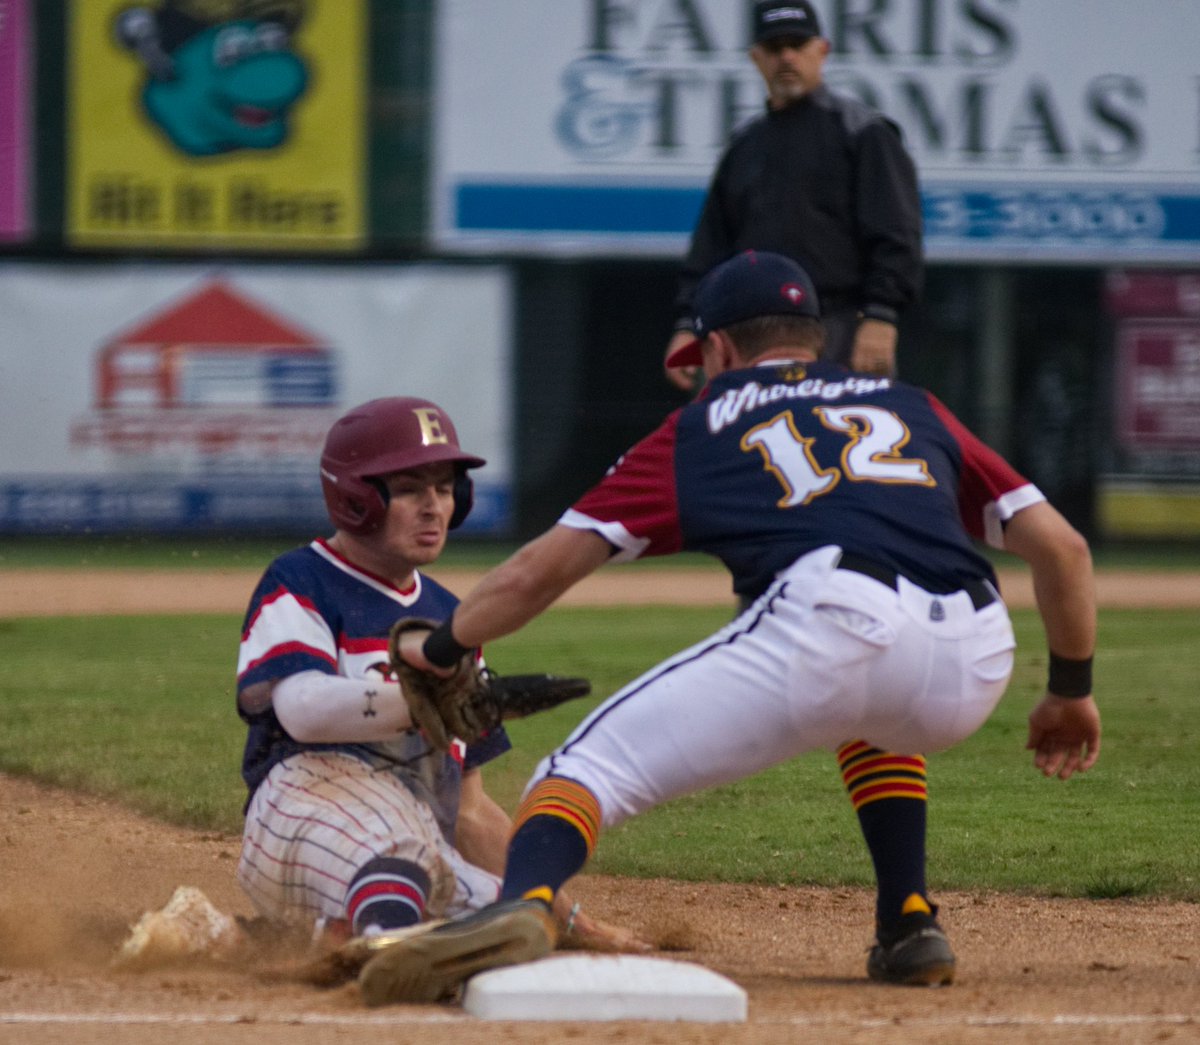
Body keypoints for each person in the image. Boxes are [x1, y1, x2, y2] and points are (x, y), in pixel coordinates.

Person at [356, 251, 1101, 1005]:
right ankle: (908, 921)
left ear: (717, 349)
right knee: (875, 708)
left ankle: (522, 903)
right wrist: (1069, 691)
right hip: (976, 650)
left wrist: (445, 645)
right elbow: (1064, 550)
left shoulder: (701, 425)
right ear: (815, 336)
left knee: (578, 773)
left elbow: (538, 572)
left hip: (837, 616)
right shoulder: (913, 405)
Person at [234, 396, 643, 956]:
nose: (433, 507)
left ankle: (282, 941)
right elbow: (301, 710)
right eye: (409, 489)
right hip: (304, 804)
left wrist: (571, 919)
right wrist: (425, 700)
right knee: (403, 849)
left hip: (411, 850)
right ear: (355, 498)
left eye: (445, 488)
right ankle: (385, 941)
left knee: (518, 921)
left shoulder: (454, 622)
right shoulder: (302, 579)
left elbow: (469, 810)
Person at [664, 0, 922, 386]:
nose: (786, 57)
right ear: (755, 58)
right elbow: (711, 246)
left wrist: (881, 316)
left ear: (822, 50)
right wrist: (688, 323)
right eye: (774, 48)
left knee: (839, 440)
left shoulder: (862, 132)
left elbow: (896, 234)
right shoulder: (745, 144)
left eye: (797, 45)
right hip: (751, 332)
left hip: (837, 327)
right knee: (748, 442)